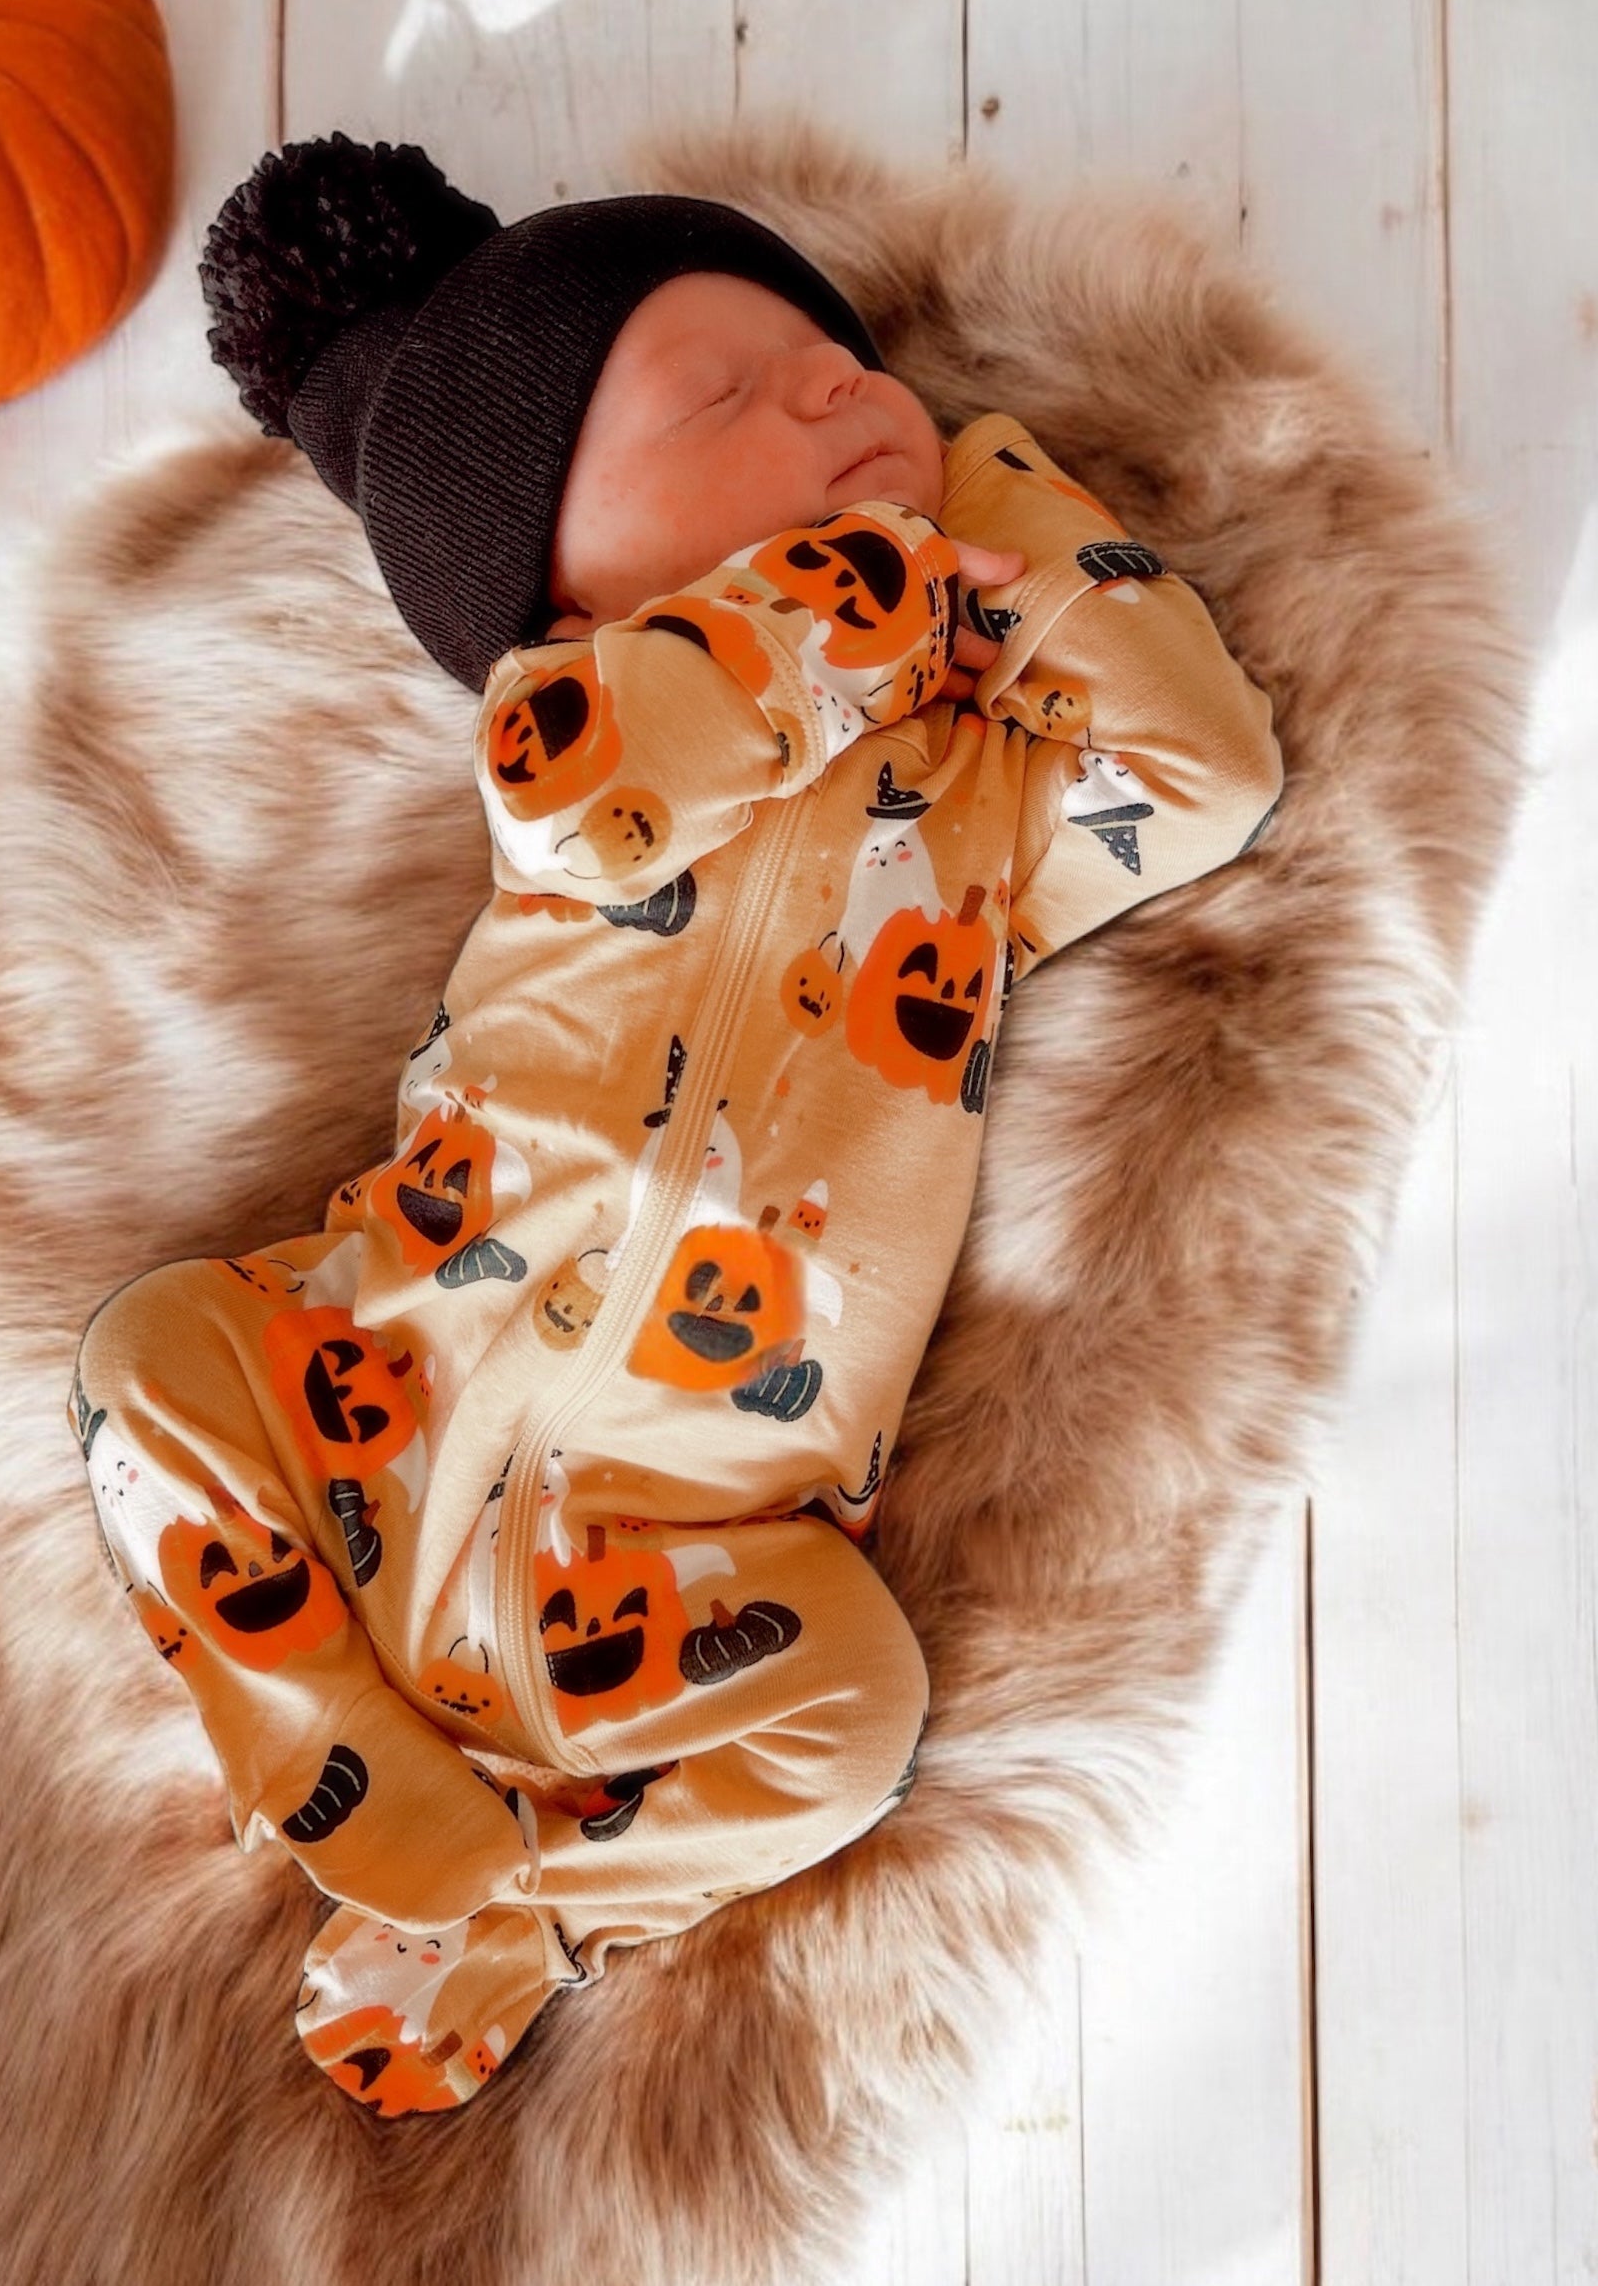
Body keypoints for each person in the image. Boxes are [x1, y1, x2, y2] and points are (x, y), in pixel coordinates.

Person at [68, 134, 1285, 2118]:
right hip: (377, 1375)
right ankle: (344, 1779)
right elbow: (626, 777)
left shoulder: (975, 815)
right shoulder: (582, 731)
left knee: (855, 1717)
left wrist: (996, 500)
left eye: (837, 361)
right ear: (558, 565)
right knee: (145, 1361)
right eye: (728, 392)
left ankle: (525, 1900)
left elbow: (1202, 773)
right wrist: (860, 594)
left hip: (667, 1549)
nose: (835, 386)